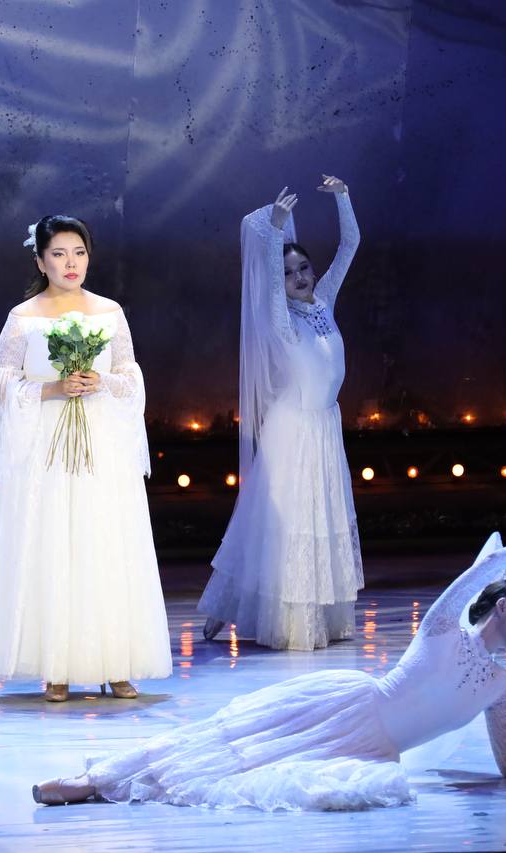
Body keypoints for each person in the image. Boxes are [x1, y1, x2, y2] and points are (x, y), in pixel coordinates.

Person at [34, 534, 506, 810]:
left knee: (247, 769)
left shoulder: (501, 686)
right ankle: (92, 781)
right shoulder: (442, 627)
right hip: (347, 707)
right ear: (501, 609)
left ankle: (101, 789)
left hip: (372, 751)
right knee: (228, 748)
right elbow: (491, 562)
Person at [0, 215, 172, 702]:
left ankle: (117, 662)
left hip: (101, 445)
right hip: (45, 446)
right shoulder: (23, 317)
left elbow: (130, 378)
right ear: (40, 261)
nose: (71, 263)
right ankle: (56, 667)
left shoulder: (109, 311)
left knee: (105, 544)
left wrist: (101, 381)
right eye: (59, 254)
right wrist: (52, 389)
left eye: (79, 252)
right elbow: (2, 386)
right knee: (52, 546)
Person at [199, 176, 363, 650]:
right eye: (290, 273)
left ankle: (319, 615)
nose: (300, 277)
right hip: (293, 433)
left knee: (319, 522)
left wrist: (343, 198)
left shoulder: (325, 301)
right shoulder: (282, 320)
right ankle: (230, 607)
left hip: (324, 428)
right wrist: (274, 231)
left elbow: (350, 245)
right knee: (276, 526)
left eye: (304, 268)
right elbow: (273, 285)